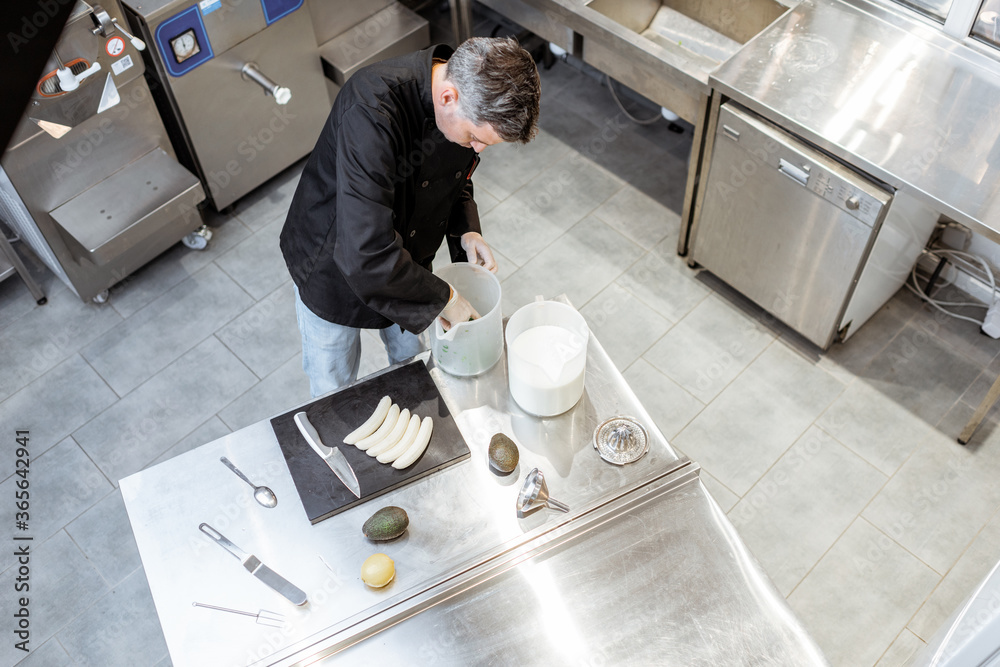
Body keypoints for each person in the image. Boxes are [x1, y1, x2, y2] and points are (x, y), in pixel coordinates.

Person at [280, 37, 541, 397]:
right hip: (335, 260)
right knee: (333, 387)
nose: (477, 149)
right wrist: (446, 297)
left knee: (412, 365)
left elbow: (456, 180)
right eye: (475, 139)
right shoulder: (371, 109)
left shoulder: (460, 98)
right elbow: (366, 253)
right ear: (448, 97)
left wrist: (467, 231)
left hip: (406, 262)